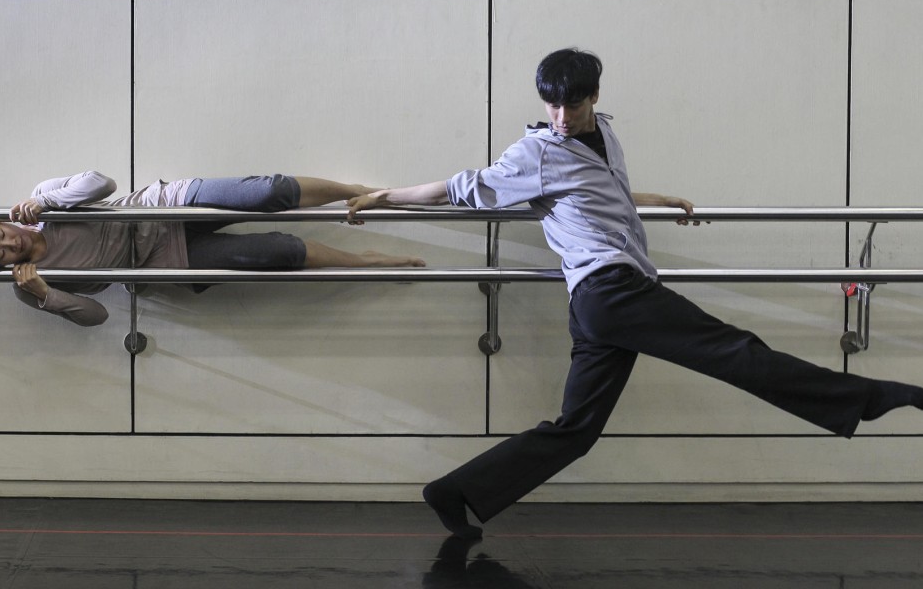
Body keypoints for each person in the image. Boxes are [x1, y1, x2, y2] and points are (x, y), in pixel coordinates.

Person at [347, 47, 923, 539]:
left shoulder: (606, 136)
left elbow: (603, 193)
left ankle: (452, 492)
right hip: (610, 290)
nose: (561, 116)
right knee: (737, 350)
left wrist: (659, 200)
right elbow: (460, 188)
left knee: (576, 431)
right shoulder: (538, 153)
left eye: (571, 103)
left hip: (604, 302)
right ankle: (869, 398)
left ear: (593, 97)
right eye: (551, 104)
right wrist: (383, 195)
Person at [0, 171, 424, 326]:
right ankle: (367, 261)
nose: (14, 244)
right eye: (4, 254)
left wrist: (46, 199)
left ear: (1, 221)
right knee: (276, 253)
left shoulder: (43, 202)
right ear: (4, 266)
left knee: (267, 193)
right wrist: (46, 294)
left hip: (165, 208)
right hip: (166, 260)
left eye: (3, 235)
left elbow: (102, 183)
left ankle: (360, 191)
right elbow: (96, 316)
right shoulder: (30, 286)